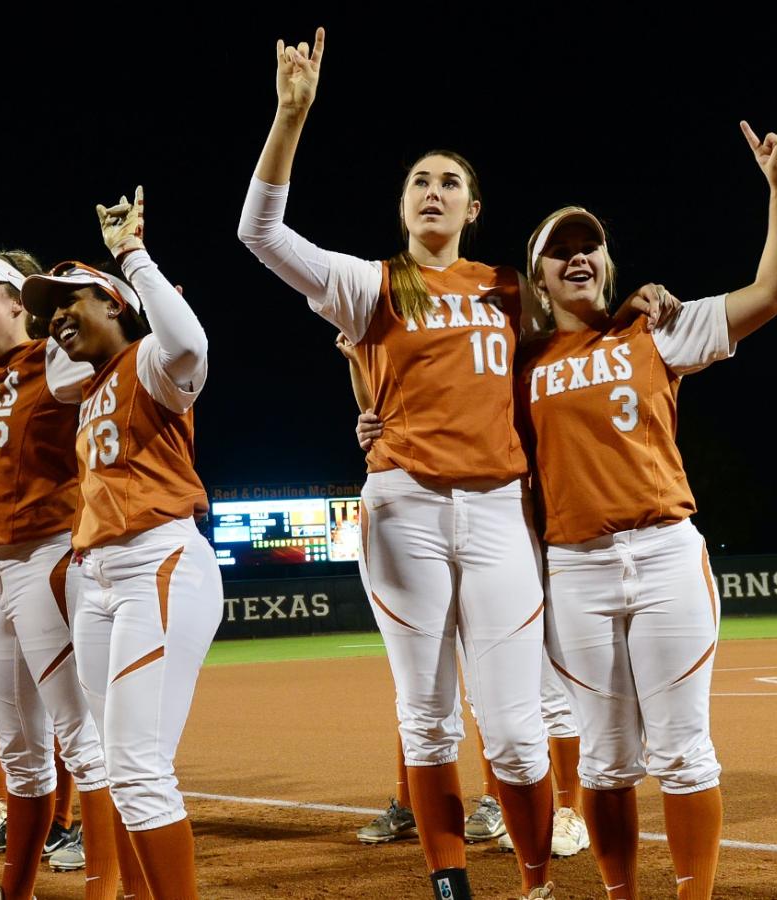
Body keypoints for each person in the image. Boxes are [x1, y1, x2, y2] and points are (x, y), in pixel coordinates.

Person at [240, 28, 553, 900]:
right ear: (402, 203)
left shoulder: (508, 289)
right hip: (405, 510)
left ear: (475, 208)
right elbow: (258, 230)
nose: (434, 192)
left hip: (497, 513)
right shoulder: (375, 284)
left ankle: (536, 885)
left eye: (451, 182)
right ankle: (450, 887)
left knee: (518, 732)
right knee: (426, 721)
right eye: (420, 180)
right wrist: (289, 115)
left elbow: (583, 349)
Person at [516, 122, 777, 900]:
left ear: (607, 262)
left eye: (591, 244)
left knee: (684, 751)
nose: (580, 254)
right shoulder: (518, 362)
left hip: (668, 554)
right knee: (606, 761)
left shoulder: (656, 328)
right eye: (560, 248)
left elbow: (775, 291)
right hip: (573, 569)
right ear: (536, 277)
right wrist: (367, 408)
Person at [21, 185, 218, 900]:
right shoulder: (95, 383)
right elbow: (50, 367)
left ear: (113, 304)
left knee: (136, 766)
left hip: (157, 561)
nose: (57, 318)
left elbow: (190, 342)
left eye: (70, 300)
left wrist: (131, 256)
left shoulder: (149, 365)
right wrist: (51, 320)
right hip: (100, 577)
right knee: (119, 763)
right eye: (51, 310)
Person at [0, 247, 123, 899]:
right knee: (21, 751)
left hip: (48, 558)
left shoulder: (58, 359)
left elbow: (125, 386)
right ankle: (17, 892)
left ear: (20, 302)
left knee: (79, 735)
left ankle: (105, 888)